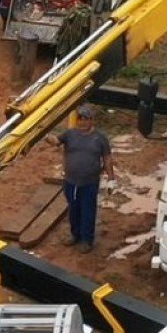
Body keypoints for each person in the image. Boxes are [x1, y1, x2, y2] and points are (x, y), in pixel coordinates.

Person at [55, 104, 112, 249]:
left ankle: (87, 240)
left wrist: (111, 179)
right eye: (80, 119)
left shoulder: (100, 138)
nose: (83, 122)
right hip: (70, 182)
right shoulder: (69, 134)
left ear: (91, 120)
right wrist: (40, 132)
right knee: (73, 209)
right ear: (77, 120)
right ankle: (75, 235)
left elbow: (107, 159)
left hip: (89, 183)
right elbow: (55, 142)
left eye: (86, 119)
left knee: (88, 210)